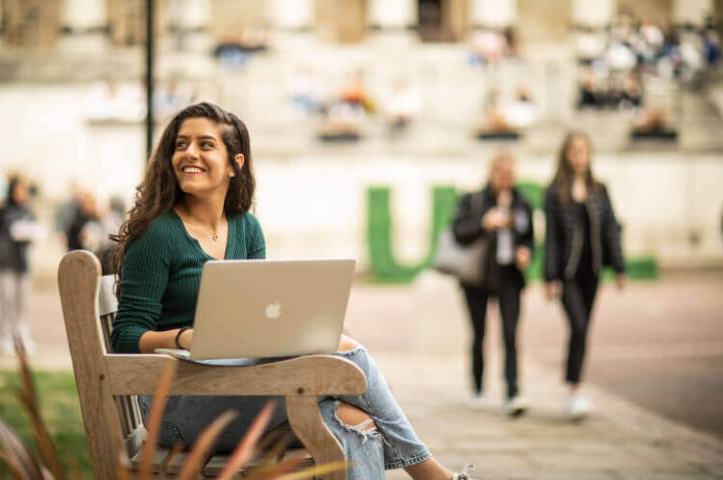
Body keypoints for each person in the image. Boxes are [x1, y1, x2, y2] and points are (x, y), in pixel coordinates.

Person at [109, 102, 476, 480]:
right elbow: (125, 336)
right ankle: (430, 472)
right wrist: (185, 336)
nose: (189, 153)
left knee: (355, 421)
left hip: (239, 385)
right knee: (345, 353)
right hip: (180, 405)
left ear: (235, 164)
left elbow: (258, 321)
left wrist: (302, 328)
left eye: (205, 144)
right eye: (181, 144)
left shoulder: (246, 228)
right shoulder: (157, 235)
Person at [543, 131, 625, 420]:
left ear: (589, 155)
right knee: (578, 325)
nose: (579, 156)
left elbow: (611, 228)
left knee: (583, 329)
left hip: (592, 273)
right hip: (566, 275)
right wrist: (549, 276)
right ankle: (575, 388)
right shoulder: (554, 192)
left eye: (583, 151)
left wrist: (619, 267)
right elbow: (551, 237)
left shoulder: (599, 190)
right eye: (574, 151)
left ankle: (574, 389)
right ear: (565, 155)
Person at [451, 152, 534, 417]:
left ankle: (513, 392)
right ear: (491, 173)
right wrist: (483, 222)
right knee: (479, 334)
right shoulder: (473, 200)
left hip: (510, 276)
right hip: (477, 278)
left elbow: (529, 236)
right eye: (501, 175)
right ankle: (477, 386)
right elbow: (457, 231)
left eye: (510, 175)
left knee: (510, 334)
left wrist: (526, 251)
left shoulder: (522, 202)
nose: (505, 180)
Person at [0, 175, 41, 354]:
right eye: (19, 190)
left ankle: (20, 334)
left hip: (22, 261)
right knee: (5, 299)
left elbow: (33, 231)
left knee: (21, 301)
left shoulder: (28, 211)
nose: (22, 194)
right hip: (5, 261)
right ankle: (4, 336)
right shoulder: (1, 211)